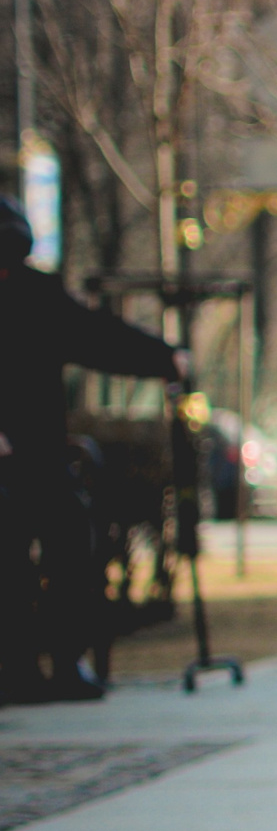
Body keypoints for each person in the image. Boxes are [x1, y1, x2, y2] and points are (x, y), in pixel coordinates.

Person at [0, 196, 183, 701]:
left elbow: (97, 337)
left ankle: (65, 660)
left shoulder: (36, 295)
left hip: (37, 454)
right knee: (8, 548)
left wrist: (165, 359)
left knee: (72, 535)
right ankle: (13, 665)